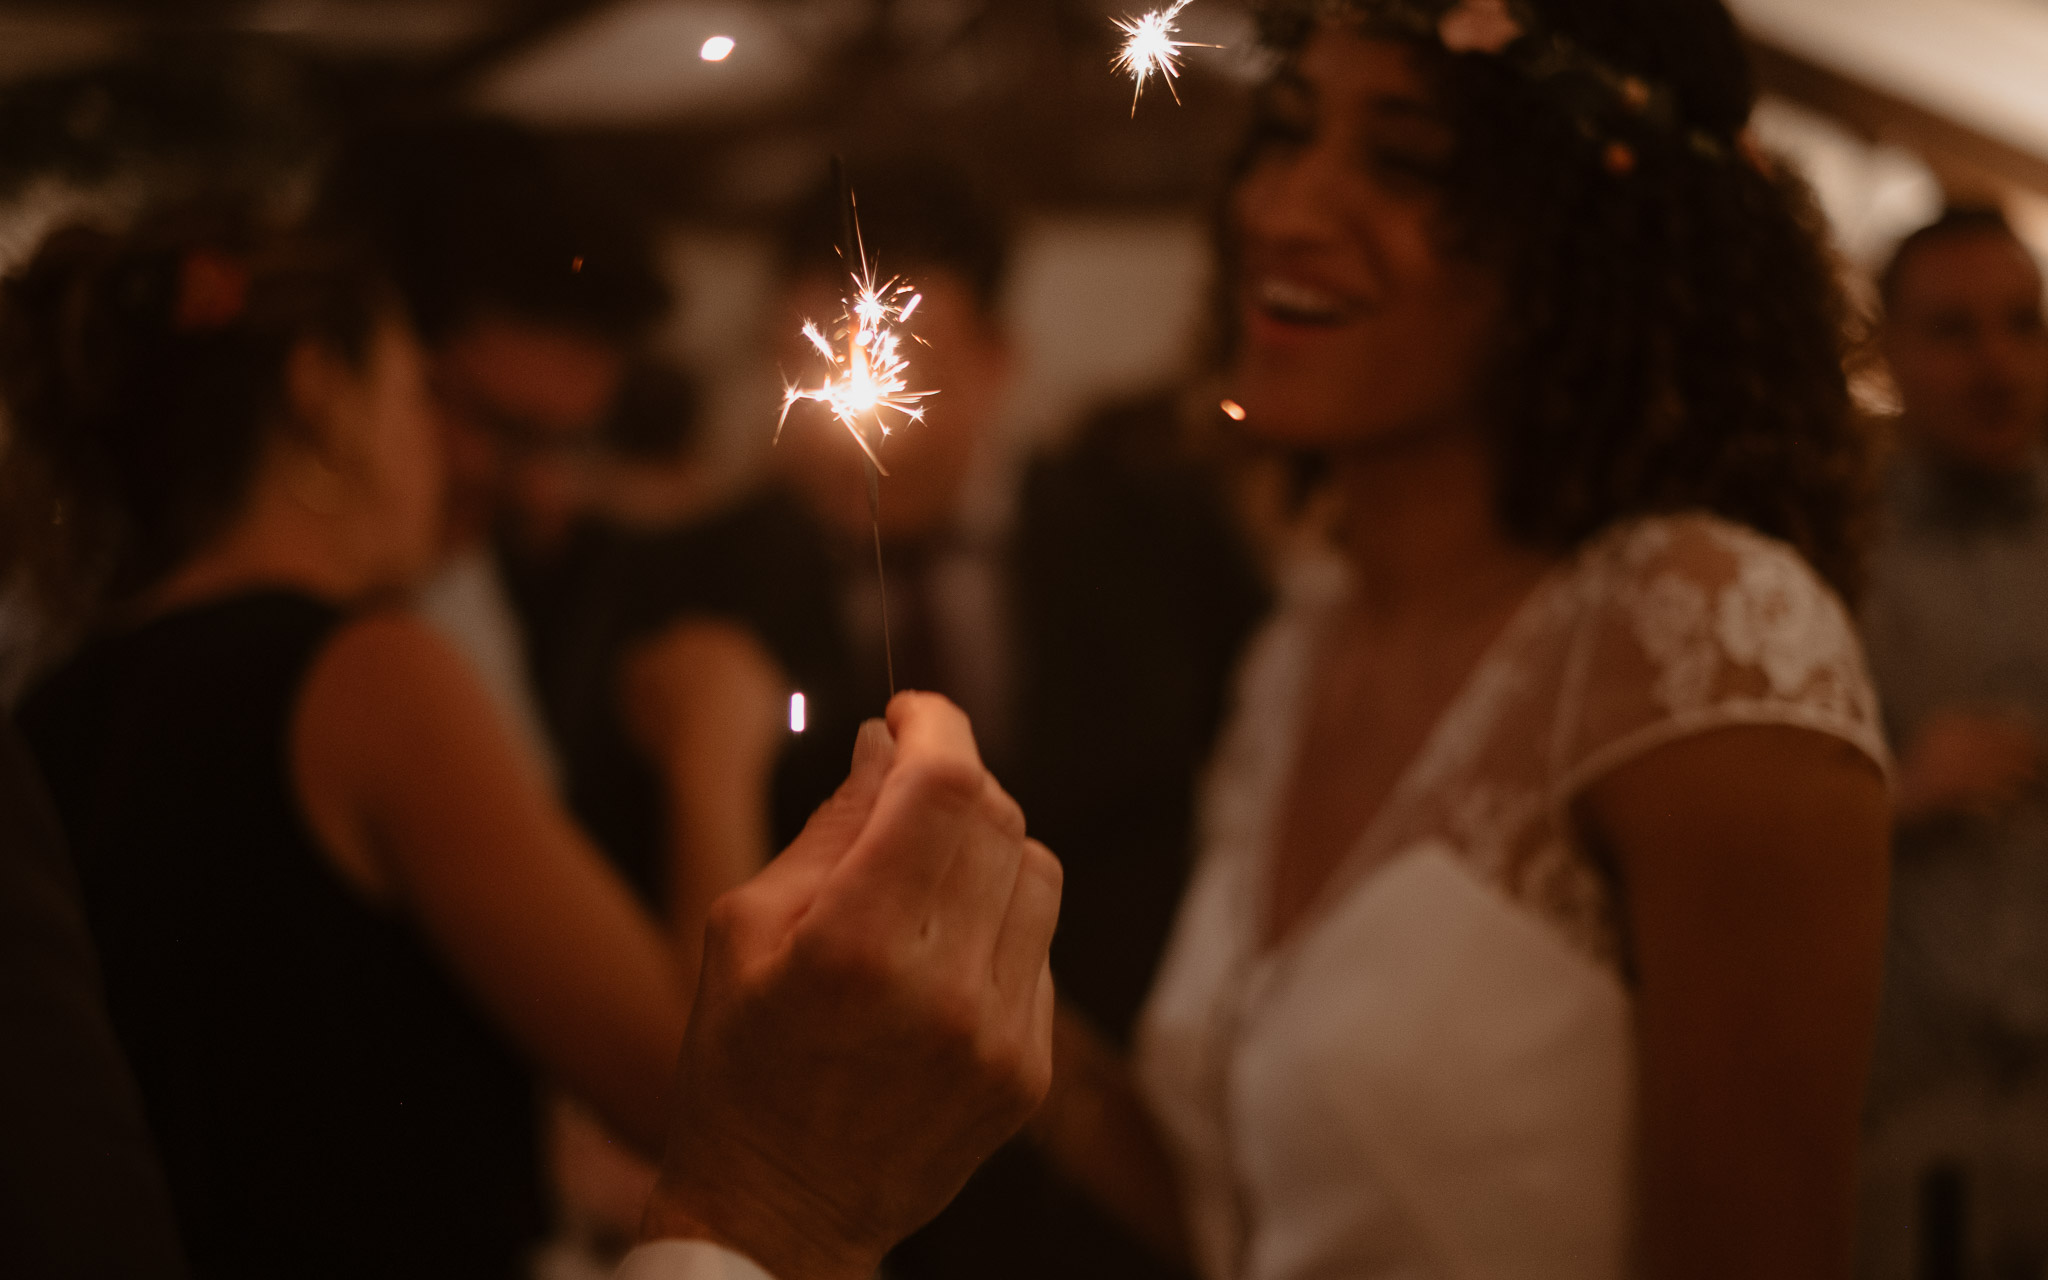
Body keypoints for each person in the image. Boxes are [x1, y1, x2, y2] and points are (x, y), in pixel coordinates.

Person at [1025, 1, 1894, 1278]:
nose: (1284, 209)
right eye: (1282, 134)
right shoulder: (1301, 645)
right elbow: (1251, 1220)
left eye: (1405, 160)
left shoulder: (1699, 638)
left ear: (1589, 236)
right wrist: (987, 1002)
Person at [1857, 208, 2048, 1278]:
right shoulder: (1828, 550)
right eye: (1954, 330)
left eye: (2022, 325)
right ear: (1888, 347)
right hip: (1904, 1138)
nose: (1997, 363)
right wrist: (1896, 791)